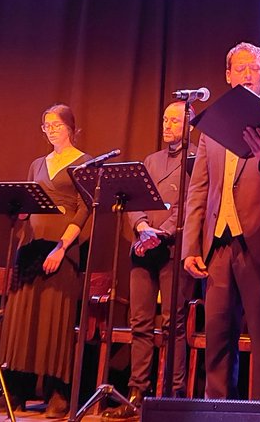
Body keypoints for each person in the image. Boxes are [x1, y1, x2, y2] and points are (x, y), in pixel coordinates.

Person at [182, 42, 260, 402]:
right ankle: (217, 412)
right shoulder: (213, 124)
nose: (247, 74)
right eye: (240, 69)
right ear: (228, 76)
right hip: (218, 245)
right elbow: (199, 188)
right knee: (217, 339)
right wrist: (191, 246)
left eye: (254, 68)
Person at [0, 104, 92, 420]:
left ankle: (56, 393)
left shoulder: (84, 162)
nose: (51, 130)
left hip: (60, 248)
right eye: (46, 125)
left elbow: (84, 209)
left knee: (54, 321)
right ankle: (18, 390)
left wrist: (61, 248)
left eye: (56, 125)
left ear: (71, 128)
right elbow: (27, 204)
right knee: (24, 320)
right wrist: (20, 210)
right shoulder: (37, 163)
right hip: (31, 248)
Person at [105, 101, 196, 418]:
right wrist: (142, 228)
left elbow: (191, 203)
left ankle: (173, 393)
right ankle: (136, 392)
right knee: (140, 323)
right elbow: (133, 199)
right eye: (165, 119)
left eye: (174, 120)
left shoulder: (195, 160)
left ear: (189, 125)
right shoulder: (151, 160)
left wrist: (162, 233)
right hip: (144, 248)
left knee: (173, 324)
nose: (167, 125)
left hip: (173, 249)